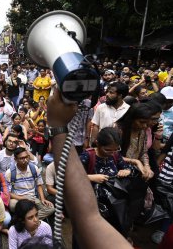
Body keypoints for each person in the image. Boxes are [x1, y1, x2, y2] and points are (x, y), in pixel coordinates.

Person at [46, 89, 131, 248]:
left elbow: (126, 167)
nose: (112, 153)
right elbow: (69, 177)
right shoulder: (87, 156)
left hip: (111, 207)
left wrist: (126, 170)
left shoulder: (115, 156)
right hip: (88, 204)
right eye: (108, 150)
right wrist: (92, 178)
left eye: (115, 150)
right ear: (98, 143)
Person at [6, 147, 54, 220]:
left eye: (26, 157)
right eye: (21, 158)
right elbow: (8, 193)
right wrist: (23, 198)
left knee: (50, 208)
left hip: (32, 197)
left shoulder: (34, 168)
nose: (25, 160)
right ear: (15, 160)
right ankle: (31, 219)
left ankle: (25, 221)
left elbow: (39, 185)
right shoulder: (10, 173)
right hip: (18, 198)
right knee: (12, 205)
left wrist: (43, 199)